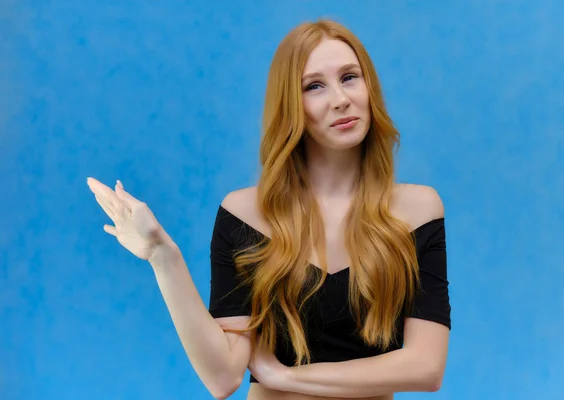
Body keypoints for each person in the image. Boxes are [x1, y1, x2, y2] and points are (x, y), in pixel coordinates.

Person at [87, 18, 451, 400]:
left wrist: (286, 377)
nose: (340, 98)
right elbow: (223, 377)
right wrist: (163, 256)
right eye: (314, 86)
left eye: (349, 77)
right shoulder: (244, 214)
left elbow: (426, 368)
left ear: (369, 87)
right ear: (291, 105)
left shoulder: (417, 210)